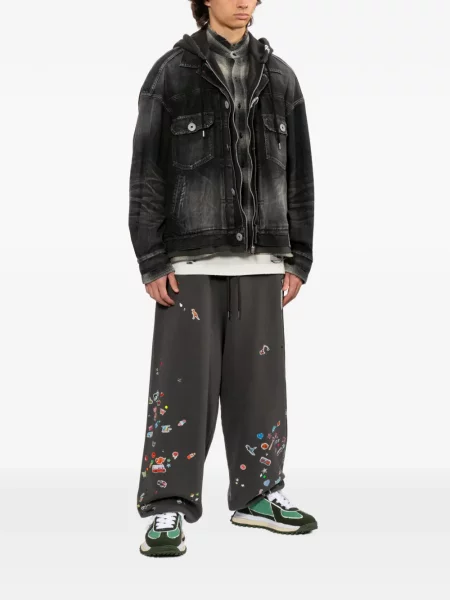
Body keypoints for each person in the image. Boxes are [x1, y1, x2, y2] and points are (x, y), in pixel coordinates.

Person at [128, 0, 317, 558]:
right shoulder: (170, 74)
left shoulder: (281, 78)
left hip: (263, 264)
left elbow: (301, 174)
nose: (244, 2)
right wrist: (151, 258)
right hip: (189, 265)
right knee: (180, 389)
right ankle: (166, 507)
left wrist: (299, 257)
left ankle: (258, 495)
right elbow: (147, 173)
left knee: (262, 390)